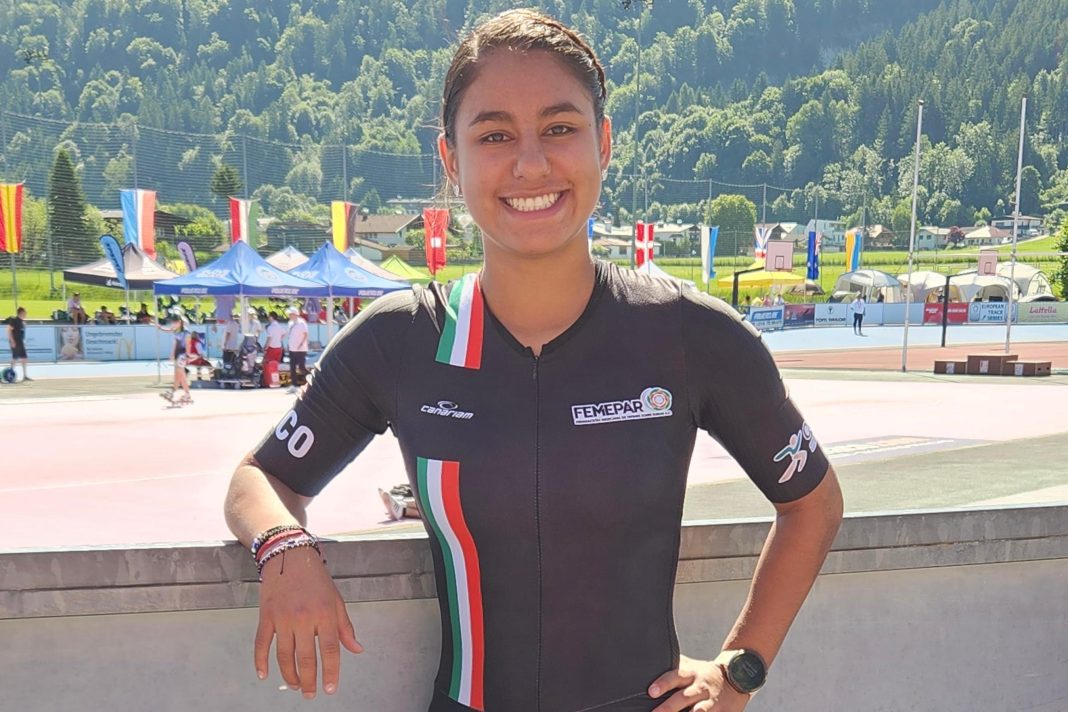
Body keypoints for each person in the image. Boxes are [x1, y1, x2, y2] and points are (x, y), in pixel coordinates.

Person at [224, 10, 842, 711]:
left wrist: (739, 671)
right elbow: (261, 477)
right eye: (494, 135)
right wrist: (284, 547)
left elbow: (814, 504)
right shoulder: (399, 341)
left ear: (603, 142)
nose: (530, 164)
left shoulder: (690, 335)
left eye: (559, 128)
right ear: (451, 160)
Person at [159, 318, 193, 404]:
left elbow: (188, 345)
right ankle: (173, 392)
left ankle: (186, 394)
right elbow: (174, 341)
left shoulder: (186, 333)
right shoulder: (176, 331)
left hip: (182, 355)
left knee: (181, 376)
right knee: (177, 376)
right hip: (178, 355)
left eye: (175, 322)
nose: (173, 324)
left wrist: (187, 356)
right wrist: (172, 354)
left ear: (180, 322)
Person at [284, 306, 308, 392]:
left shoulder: (302, 323)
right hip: (292, 348)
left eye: (291, 314)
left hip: (301, 349)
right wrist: (288, 345)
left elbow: (305, 334)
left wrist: (301, 344)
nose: (289, 316)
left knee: (301, 367)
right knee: (292, 367)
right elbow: (290, 335)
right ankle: (293, 385)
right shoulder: (290, 323)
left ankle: (311, 379)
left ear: (295, 314)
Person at [5, 307, 30, 381]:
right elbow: (8, 330)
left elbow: (22, 333)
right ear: (21, 313)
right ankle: (9, 374)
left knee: (24, 358)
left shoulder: (22, 322)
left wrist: (23, 342)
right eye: (25, 313)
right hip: (15, 342)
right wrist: (12, 341)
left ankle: (25, 376)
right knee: (15, 358)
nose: (26, 314)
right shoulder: (14, 320)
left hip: (21, 342)